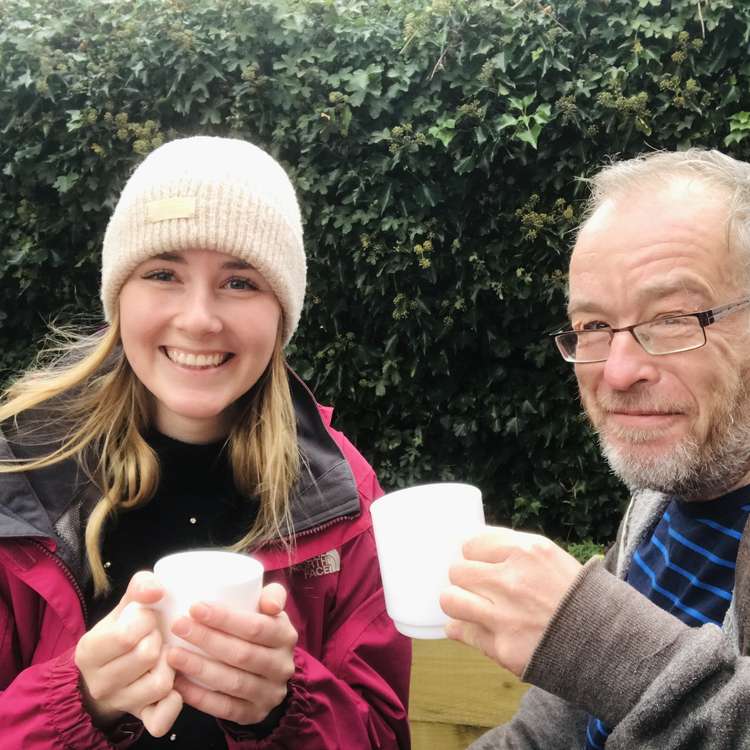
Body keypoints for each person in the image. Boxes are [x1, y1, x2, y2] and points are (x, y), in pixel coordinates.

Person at [0, 136, 411, 748]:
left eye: (240, 282)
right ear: (119, 296)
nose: (199, 319)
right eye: (163, 273)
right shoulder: (20, 477)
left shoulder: (341, 494)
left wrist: (286, 707)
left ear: (282, 313)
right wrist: (76, 699)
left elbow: (381, 732)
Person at [441, 148, 750, 749]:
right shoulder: (655, 505)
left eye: (672, 318)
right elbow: (547, 732)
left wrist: (592, 637)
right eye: (593, 327)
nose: (617, 370)